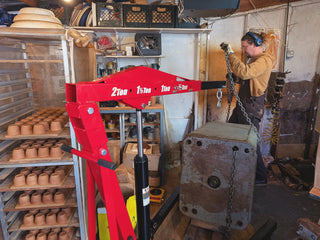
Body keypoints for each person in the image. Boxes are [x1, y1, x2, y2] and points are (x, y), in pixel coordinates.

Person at [221, 32, 274, 185]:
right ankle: (236, 167)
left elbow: (245, 73)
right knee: (231, 132)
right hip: (243, 104)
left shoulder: (263, 60)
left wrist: (231, 54)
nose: (243, 50)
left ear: (255, 44)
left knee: (251, 142)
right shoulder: (255, 60)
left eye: (245, 47)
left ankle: (260, 176)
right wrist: (234, 78)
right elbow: (249, 78)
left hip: (251, 107)